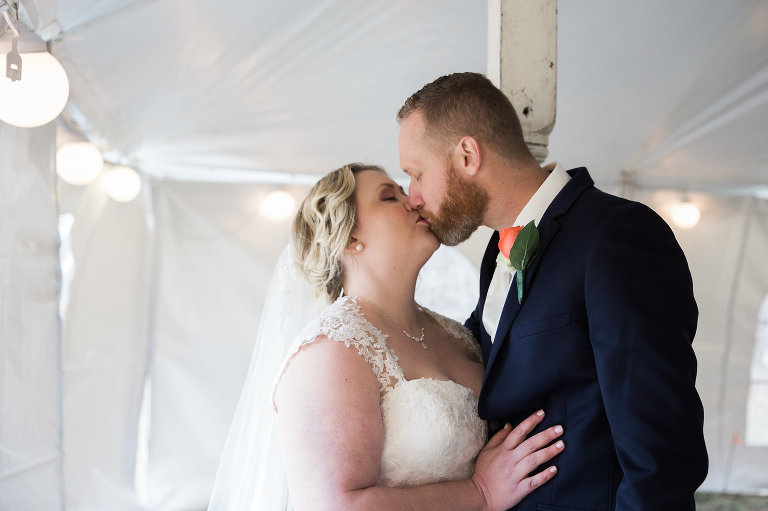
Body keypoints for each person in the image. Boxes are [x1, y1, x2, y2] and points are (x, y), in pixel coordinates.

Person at [396, 72, 709, 510]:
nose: (412, 196)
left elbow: (661, 455)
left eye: (416, 174)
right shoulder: (496, 251)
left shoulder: (617, 236)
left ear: (467, 154)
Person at [209, 162, 566, 511]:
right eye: (389, 197)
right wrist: (480, 493)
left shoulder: (457, 334)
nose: (413, 199)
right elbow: (334, 505)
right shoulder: (330, 350)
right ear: (350, 237)